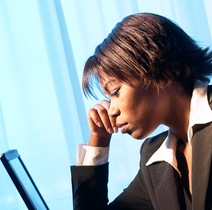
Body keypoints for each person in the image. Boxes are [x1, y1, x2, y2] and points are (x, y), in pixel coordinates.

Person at [71, 13, 212, 210]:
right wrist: (98, 141)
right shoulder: (154, 158)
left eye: (115, 92)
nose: (110, 110)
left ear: (163, 73)